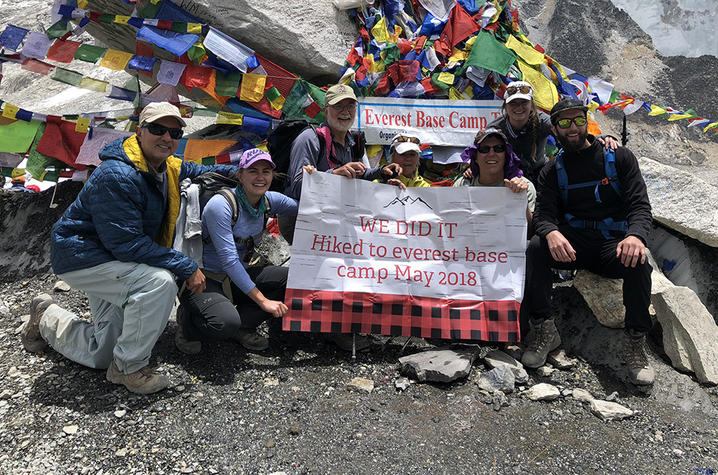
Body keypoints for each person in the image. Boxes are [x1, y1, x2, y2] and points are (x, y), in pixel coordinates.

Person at [20, 102, 238, 395]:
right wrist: (186, 265)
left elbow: (203, 170)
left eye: (174, 133)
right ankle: (129, 368)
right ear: (139, 131)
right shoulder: (117, 175)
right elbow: (125, 243)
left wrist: (252, 171)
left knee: (101, 353)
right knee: (160, 282)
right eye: (158, 129)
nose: (167, 138)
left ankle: (45, 317)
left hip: (115, 260)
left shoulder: (166, 167)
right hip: (84, 258)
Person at [521, 99, 654, 387]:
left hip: (612, 244)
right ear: (554, 128)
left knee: (640, 261)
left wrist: (635, 235)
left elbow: (640, 206)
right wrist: (550, 233)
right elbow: (544, 213)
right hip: (574, 245)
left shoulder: (619, 158)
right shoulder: (552, 171)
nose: (572, 128)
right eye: (564, 123)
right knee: (535, 248)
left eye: (578, 120)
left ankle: (635, 341)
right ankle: (544, 328)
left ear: (587, 121)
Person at [175, 149, 297, 354]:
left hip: (238, 274)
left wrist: (323, 177)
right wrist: (264, 302)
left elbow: (308, 208)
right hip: (205, 277)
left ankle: (242, 326)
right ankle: (188, 324)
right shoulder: (221, 205)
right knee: (223, 323)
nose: (260, 177)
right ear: (240, 175)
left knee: (294, 281)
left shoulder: (268, 200)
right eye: (253, 171)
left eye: (266, 171)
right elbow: (229, 260)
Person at [278, 84, 400, 243]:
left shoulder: (352, 141)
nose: (345, 111)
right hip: (302, 222)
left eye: (350, 106)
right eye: (338, 106)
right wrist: (334, 174)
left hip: (332, 220)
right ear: (325, 110)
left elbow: (357, 175)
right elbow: (297, 187)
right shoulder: (310, 139)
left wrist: (381, 172)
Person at [454, 127, 536, 235]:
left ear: (506, 156)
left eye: (498, 148)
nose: (491, 154)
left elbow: (530, 232)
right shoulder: (462, 185)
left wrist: (521, 200)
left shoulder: (524, 187)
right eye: (484, 149)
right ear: (475, 157)